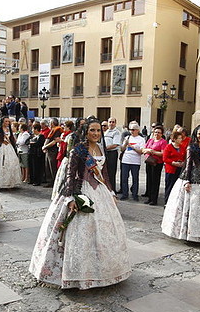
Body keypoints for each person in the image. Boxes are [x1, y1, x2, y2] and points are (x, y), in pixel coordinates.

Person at [30, 118, 131, 289]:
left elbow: (104, 173)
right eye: (92, 130)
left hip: (100, 192)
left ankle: (101, 271)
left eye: (99, 130)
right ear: (85, 131)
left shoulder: (100, 147)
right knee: (79, 233)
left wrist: (111, 191)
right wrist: (70, 198)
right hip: (80, 190)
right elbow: (71, 174)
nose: (96, 133)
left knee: (105, 231)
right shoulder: (78, 149)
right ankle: (75, 274)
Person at [0, 116, 21, 189]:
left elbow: (12, 139)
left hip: (9, 147)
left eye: (8, 121)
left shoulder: (9, 129)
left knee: (11, 163)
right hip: (0, 147)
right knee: (0, 164)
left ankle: (9, 182)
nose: (7, 123)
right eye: (6, 121)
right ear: (2, 122)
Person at [143, 126, 167, 205]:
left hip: (157, 163)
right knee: (149, 180)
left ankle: (154, 199)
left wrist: (152, 151)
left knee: (155, 181)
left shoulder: (163, 142)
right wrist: (148, 150)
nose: (157, 134)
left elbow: (163, 153)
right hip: (149, 162)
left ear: (162, 134)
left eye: (159, 132)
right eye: (156, 132)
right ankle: (149, 197)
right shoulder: (150, 140)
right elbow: (143, 149)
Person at [119, 123, 144, 201]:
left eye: (133, 130)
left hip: (135, 161)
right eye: (130, 130)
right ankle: (125, 194)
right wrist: (125, 144)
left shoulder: (141, 139)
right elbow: (122, 149)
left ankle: (135, 194)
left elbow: (141, 151)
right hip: (126, 160)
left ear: (137, 130)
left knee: (135, 179)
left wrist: (132, 147)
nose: (132, 131)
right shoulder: (127, 137)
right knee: (124, 178)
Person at [163, 131, 186, 204]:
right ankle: (167, 202)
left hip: (179, 169)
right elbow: (165, 158)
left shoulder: (182, 147)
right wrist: (173, 162)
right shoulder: (169, 147)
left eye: (181, 138)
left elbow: (184, 156)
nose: (180, 140)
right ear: (175, 139)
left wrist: (183, 162)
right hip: (171, 169)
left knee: (178, 186)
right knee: (170, 186)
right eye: (179, 138)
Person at [43, 118, 62, 187]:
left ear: (52, 123)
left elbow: (54, 141)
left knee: (52, 167)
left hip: (53, 151)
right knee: (47, 167)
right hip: (48, 150)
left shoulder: (57, 130)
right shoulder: (53, 130)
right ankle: (49, 181)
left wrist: (45, 146)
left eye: (50, 122)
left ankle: (54, 182)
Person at [103, 117, 121, 191]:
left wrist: (104, 148)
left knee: (111, 173)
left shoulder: (116, 132)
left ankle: (112, 190)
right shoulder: (106, 132)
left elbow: (115, 144)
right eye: (110, 122)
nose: (111, 123)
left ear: (115, 123)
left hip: (112, 154)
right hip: (105, 153)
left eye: (113, 122)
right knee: (105, 172)